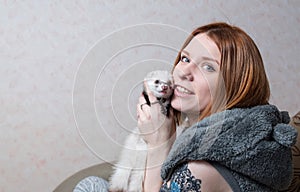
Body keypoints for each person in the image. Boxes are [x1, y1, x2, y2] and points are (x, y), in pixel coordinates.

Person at [74, 22, 297, 192]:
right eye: (185, 58)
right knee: (92, 185)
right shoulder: (213, 142)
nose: (183, 72)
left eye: (208, 67)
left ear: (234, 87)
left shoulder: (201, 170)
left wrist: (159, 143)